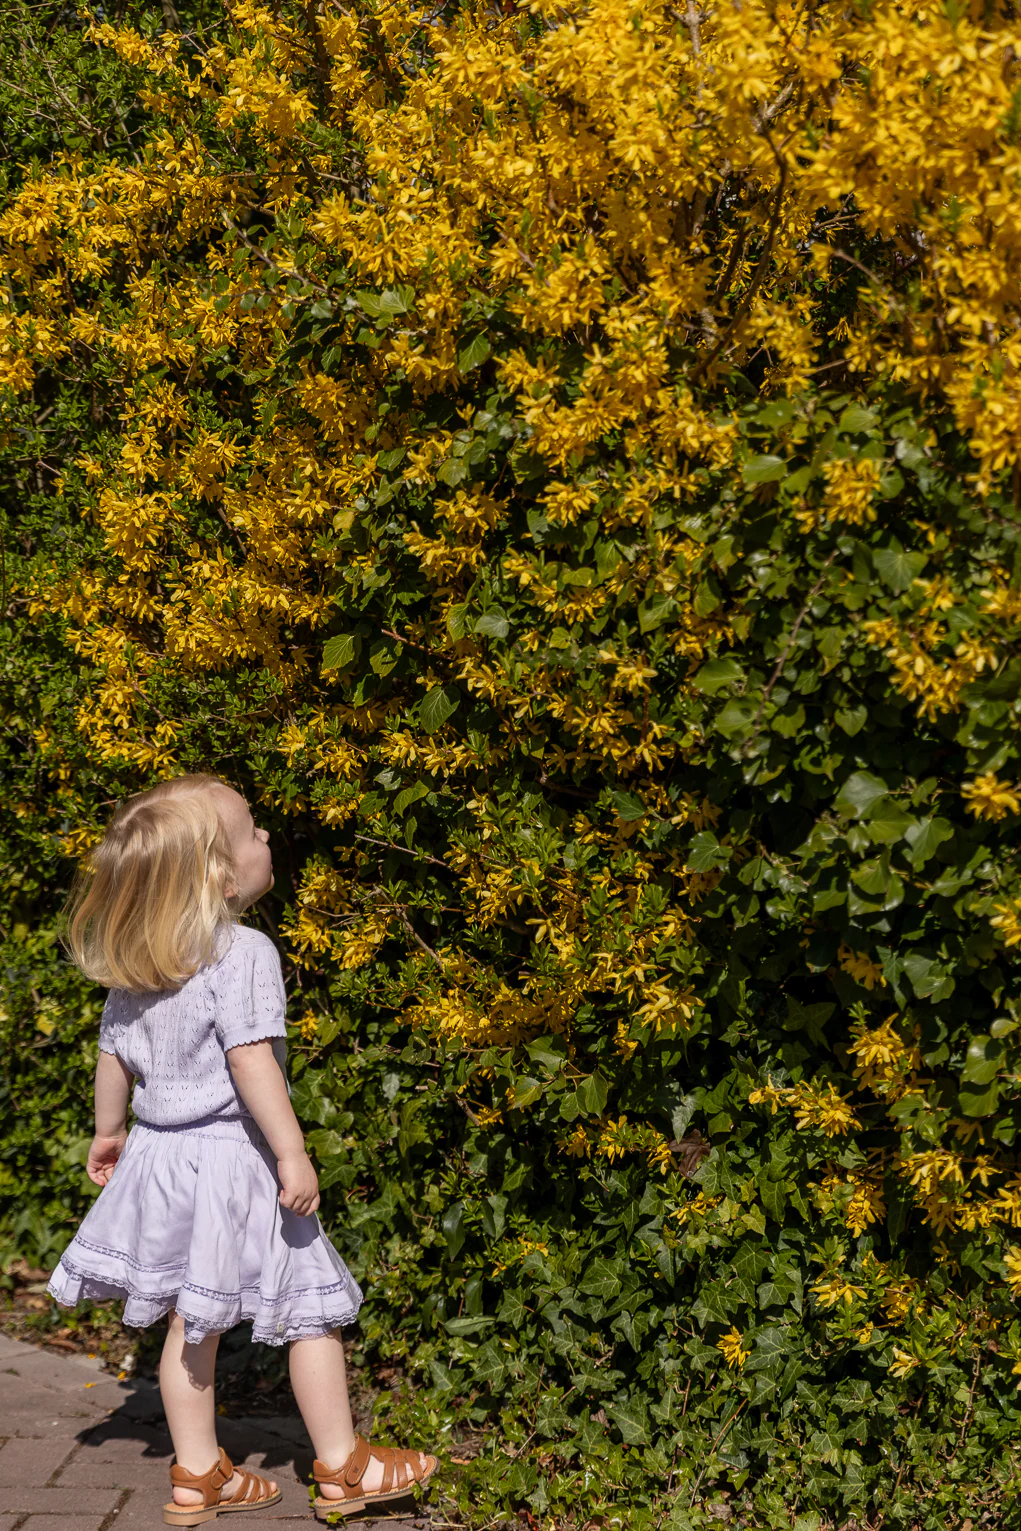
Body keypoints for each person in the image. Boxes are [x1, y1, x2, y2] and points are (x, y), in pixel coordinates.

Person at [46, 774, 437, 1527]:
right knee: (308, 1306)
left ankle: (198, 1475)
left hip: (161, 1157)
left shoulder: (141, 958)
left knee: (193, 1321)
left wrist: (107, 1130)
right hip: (235, 1157)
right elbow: (250, 1058)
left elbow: (112, 1056)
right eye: (253, 829)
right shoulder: (242, 950)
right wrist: (291, 1151)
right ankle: (342, 1465)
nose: (265, 837)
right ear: (221, 874)